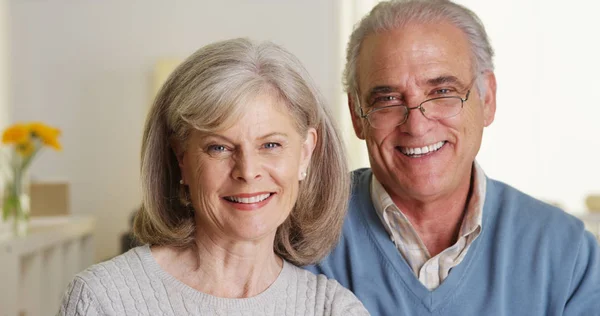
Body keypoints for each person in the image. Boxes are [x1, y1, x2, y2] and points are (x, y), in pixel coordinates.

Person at [306, 0, 600, 315]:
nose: (417, 126)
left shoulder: (567, 253)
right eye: (387, 99)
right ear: (356, 114)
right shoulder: (302, 233)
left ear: (487, 99)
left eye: (443, 92)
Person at [59, 38, 369, 316]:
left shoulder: (333, 309)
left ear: (305, 154)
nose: (247, 171)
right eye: (219, 147)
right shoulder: (104, 300)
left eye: (271, 145)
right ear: (181, 159)